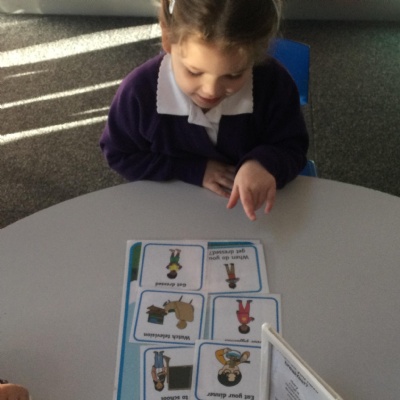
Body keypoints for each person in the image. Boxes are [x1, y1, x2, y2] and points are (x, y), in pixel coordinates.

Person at [100, 0, 308, 221]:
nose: (211, 91)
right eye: (194, 72)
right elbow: (119, 153)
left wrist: (262, 163)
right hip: (171, 213)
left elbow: (293, 146)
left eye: (233, 75)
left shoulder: (274, 85)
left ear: (259, 52)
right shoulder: (139, 94)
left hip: (247, 217)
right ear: (167, 37)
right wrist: (193, 169)